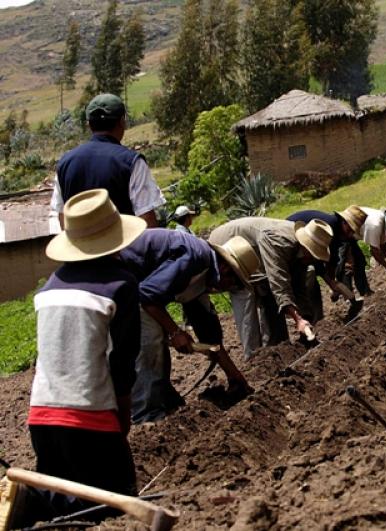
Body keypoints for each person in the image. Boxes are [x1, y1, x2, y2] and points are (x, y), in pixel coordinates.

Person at [11, 189, 146, 526]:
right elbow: (124, 359)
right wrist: (124, 410)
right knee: (118, 507)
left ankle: (32, 506)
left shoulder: (49, 288)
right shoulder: (120, 285)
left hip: (41, 417)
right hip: (90, 417)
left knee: (63, 509)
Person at [119, 229, 256, 423]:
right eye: (235, 284)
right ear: (226, 270)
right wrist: (175, 332)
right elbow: (147, 297)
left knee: (157, 337)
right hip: (118, 278)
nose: (231, 289)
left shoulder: (203, 279)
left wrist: (234, 376)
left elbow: (211, 339)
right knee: (151, 340)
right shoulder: (195, 258)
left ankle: (164, 398)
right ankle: (146, 414)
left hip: (137, 287)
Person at [208, 218, 334, 358]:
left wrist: (305, 317)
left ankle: (275, 350)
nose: (315, 260)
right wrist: (297, 319)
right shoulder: (279, 241)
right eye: (314, 254)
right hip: (229, 249)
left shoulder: (301, 252)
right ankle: (254, 359)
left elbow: (298, 286)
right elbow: (279, 284)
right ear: (306, 247)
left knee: (269, 295)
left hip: (256, 254)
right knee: (247, 300)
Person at [51, 94, 165, 228]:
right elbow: (146, 219)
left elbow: (62, 215)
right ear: (122, 122)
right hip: (124, 247)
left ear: (88, 125)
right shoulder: (131, 162)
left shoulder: (65, 163)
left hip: (80, 247)